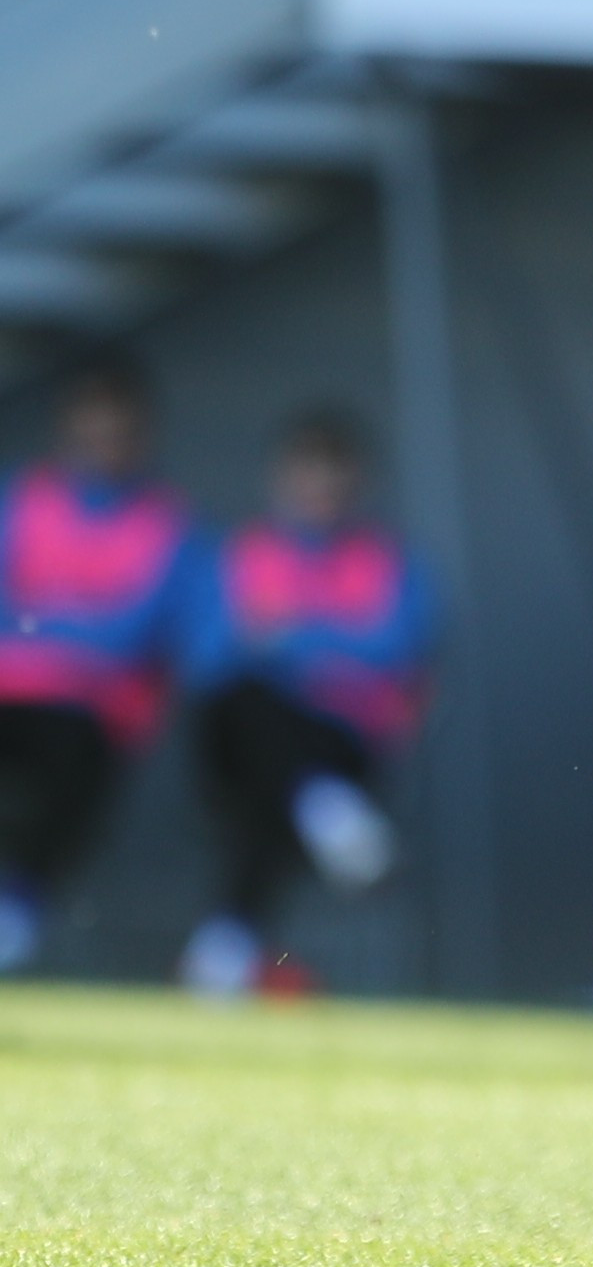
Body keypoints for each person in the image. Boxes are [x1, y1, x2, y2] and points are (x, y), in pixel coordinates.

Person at [180, 410, 433, 996]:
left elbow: (397, 649)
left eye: (332, 480)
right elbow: (206, 657)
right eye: (307, 476)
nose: (319, 494)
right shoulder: (241, 554)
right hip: (240, 741)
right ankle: (324, 807)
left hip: (342, 742)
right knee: (253, 707)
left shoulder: (388, 563)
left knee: (273, 791)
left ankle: (224, 949)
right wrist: (328, 646)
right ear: (280, 480)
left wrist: (286, 637)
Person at [0, 361, 195, 976]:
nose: (103, 447)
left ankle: (17, 912)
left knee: (66, 772)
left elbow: (130, 636)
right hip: (9, 693)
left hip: (93, 713)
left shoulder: (165, 526)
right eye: (92, 431)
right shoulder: (22, 501)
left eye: (117, 434)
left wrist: (38, 620)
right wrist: (75, 624)